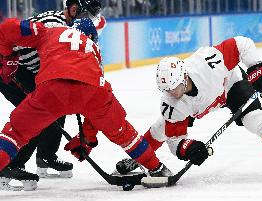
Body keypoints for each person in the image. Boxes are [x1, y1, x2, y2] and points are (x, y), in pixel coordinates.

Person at [0, 16, 174, 190]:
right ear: (92, 37)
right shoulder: (95, 50)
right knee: (123, 133)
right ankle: (156, 168)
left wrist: (9, 56)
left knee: (15, 132)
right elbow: (97, 108)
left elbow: (7, 27)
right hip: (92, 91)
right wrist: (87, 139)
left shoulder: (51, 31)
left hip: (52, 87)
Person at [116, 36, 262, 177]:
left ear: (184, 77)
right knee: (161, 128)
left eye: (174, 87)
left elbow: (242, 44)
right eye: (166, 89)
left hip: (231, 85)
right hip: (198, 106)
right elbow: (174, 141)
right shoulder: (171, 101)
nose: (171, 93)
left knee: (255, 121)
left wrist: (257, 69)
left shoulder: (209, 64)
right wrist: (187, 148)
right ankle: (138, 158)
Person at [0, 0, 104, 191]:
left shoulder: (72, 30)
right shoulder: (53, 25)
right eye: (87, 15)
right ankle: (9, 165)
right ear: (73, 10)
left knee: (56, 106)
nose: (89, 21)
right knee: (35, 116)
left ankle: (46, 156)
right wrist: (7, 59)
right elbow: (7, 33)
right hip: (12, 70)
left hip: (32, 72)